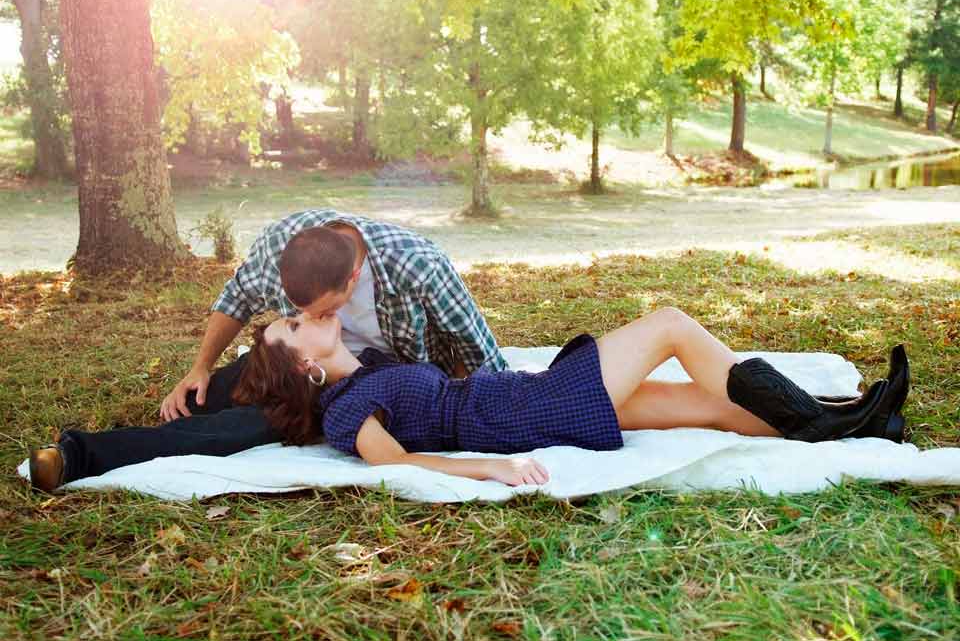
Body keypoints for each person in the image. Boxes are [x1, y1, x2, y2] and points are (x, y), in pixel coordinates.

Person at [30, 308, 909, 491]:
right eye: (296, 326)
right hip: (528, 413)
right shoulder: (344, 412)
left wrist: (204, 369)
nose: (310, 317)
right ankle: (844, 419)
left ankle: (850, 424)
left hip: (531, 396)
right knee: (674, 324)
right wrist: (487, 469)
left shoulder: (362, 364)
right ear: (301, 368)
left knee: (712, 406)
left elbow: (236, 388)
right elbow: (399, 463)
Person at [159, 209, 507, 423]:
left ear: (354, 277)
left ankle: (122, 453)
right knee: (211, 396)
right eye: (300, 312)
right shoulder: (279, 242)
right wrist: (200, 366)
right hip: (310, 368)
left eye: (325, 310)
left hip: (389, 377)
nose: (313, 318)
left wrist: (460, 411)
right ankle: (161, 430)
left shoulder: (417, 265)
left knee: (260, 425)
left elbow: (473, 345)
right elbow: (236, 299)